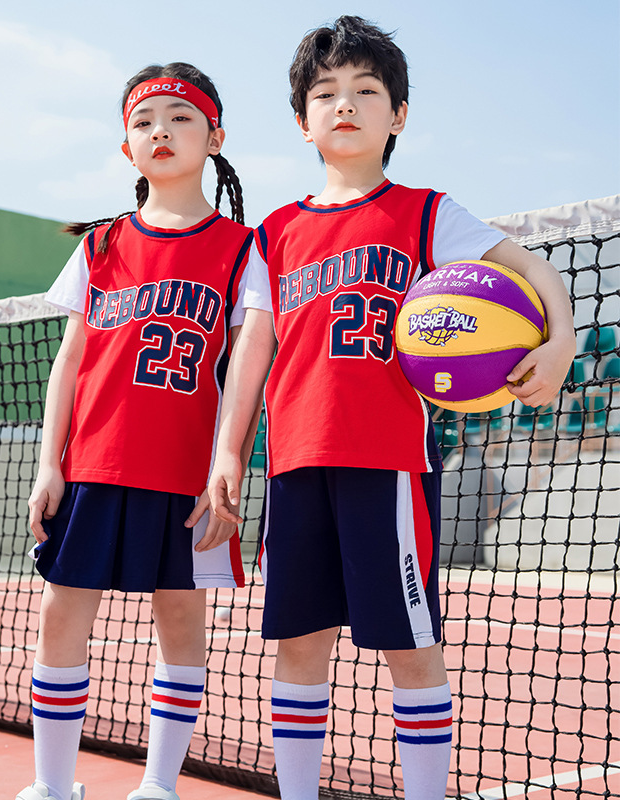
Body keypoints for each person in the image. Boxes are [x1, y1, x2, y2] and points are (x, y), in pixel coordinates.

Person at [208, 16, 576, 800]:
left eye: (366, 91)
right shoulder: (273, 234)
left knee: (410, 649)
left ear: (398, 115)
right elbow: (253, 348)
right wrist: (229, 453)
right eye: (326, 93)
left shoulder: (426, 212)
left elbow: (535, 268)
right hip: (299, 464)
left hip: (388, 465)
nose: (345, 104)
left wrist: (562, 342)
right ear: (302, 121)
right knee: (298, 646)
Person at [17, 62, 259, 800]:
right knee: (60, 613)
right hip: (91, 464)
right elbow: (70, 362)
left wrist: (229, 460)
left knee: (181, 619)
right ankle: (54, 785)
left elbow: (249, 367)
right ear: (127, 147)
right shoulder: (99, 247)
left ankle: (159, 784)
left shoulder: (245, 248)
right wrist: (47, 463)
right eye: (145, 120)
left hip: (182, 475)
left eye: (182, 118)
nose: (162, 130)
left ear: (215, 137)